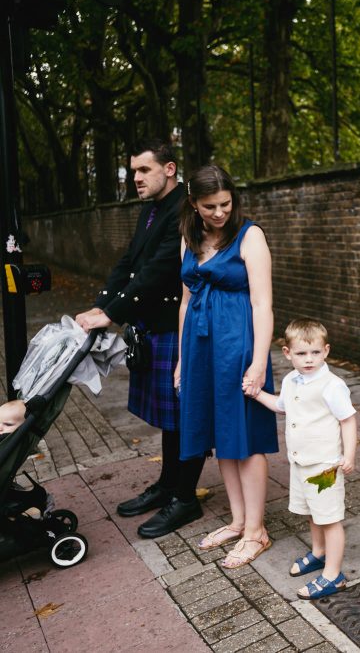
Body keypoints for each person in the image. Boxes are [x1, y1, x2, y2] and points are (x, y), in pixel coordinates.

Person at [76, 138, 205, 539]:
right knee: (172, 419)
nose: (135, 178)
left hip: (180, 324)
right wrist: (101, 306)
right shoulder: (150, 210)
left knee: (186, 414)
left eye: (143, 170)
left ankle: (186, 498)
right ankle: (168, 485)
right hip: (156, 323)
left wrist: (113, 313)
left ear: (169, 169)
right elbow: (131, 262)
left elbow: (163, 268)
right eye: (133, 171)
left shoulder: (185, 208)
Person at [176, 164, 279, 569]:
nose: (219, 212)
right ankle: (238, 521)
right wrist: (182, 361)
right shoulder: (187, 236)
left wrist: (257, 362)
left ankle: (257, 530)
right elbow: (185, 302)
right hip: (200, 349)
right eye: (209, 206)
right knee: (220, 431)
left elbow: (262, 304)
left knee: (246, 435)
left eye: (225, 203)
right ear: (193, 204)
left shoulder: (249, 236)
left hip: (238, 344)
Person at [246, 318, 358, 599]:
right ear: (287, 353)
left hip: (325, 467)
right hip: (301, 463)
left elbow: (348, 420)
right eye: (301, 353)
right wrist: (257, 394)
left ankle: (333, 575)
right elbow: (281, 407)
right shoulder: (291, 380)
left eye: (315, 353)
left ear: (326, 351)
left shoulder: (332, 385)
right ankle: (319, 553)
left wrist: (349, 455)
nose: (309, 359)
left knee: (329, 518)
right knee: (312, 512)